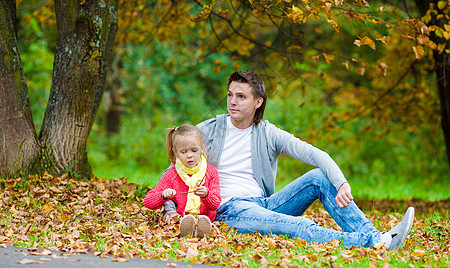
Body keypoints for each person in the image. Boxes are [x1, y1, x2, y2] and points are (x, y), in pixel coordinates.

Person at [165, 70, 415, 250]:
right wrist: (169, 210)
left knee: (318, 177)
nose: (232, 101)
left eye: (241, 96)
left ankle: (376, 235)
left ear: (258, 102)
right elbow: (173, 170)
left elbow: (314, 154)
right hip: (229, 209)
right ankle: (376, 242)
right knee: (297, 225)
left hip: (263, 203)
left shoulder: (267, 133)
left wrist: (341, 183)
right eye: (230, 94)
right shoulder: (209, 129)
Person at [144, 125, 221, 238]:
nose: (189, 155)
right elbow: (148, 202)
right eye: (183, 152)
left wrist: (206, 195)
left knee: (203, 220)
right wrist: (162, 195)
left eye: (194, 150)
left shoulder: (210, 172)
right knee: (174, 218)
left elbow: (215, 204)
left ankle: (200, 229)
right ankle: (184, 227)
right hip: (179, 217)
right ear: (176, 152)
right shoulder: (171, 175)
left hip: (204, 217)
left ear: (202, 148)